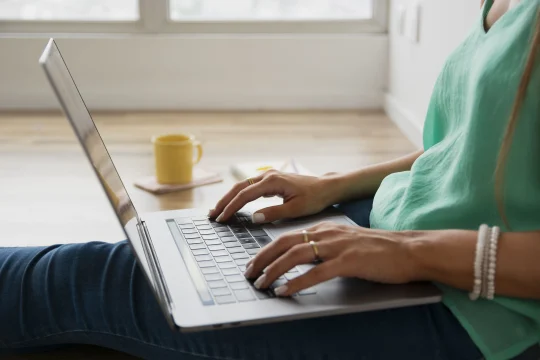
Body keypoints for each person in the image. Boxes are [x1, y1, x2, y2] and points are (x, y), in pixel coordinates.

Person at [1, 0, 539, 359]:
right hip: (394, 233)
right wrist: (334, 186)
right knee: (138, 261)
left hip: (475, 309)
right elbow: (462, 151)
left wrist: (408, 251)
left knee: (85, 281)